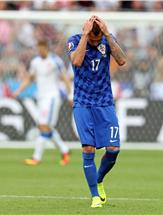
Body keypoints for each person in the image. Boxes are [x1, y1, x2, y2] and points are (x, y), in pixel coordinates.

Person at [67, 16, 126, 208]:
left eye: (97, 39)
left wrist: (107, 34)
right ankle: (94, 196)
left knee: (114, 150)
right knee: (88, 149)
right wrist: (85, 36)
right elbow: (76, 62)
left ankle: (99, 179)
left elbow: (122, 60)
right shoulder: (75, 40)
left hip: (105, 103)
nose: (95, 42)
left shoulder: (107, 39)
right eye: (92, 39)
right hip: (83, 103)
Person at [12, 40, 72, 166]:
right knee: (47, 128)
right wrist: (18, 91)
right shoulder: (35, 62)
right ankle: (65, 151)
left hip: (52, 98)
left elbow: (65, 78)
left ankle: (36, 157)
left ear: (46, 48)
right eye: (38, 49)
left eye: (41, 49)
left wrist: (70, 95)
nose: (39, 51)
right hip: (41, 98)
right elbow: (29, 78)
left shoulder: (56, 61)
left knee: (43, 126)